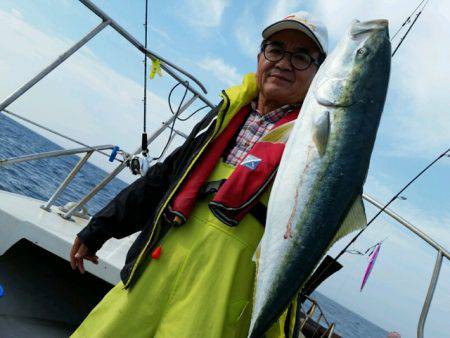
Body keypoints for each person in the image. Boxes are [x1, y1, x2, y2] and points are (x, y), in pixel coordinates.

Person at [70, 11, 328, 338]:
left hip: (222, 294)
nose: (283, 62)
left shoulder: (318, 141)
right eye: (275, 49)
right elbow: (165, 177)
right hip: (159, 262)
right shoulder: (225, 115)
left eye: (302, 56)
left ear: (320, 73)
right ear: (260, 56)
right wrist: (101, 226)